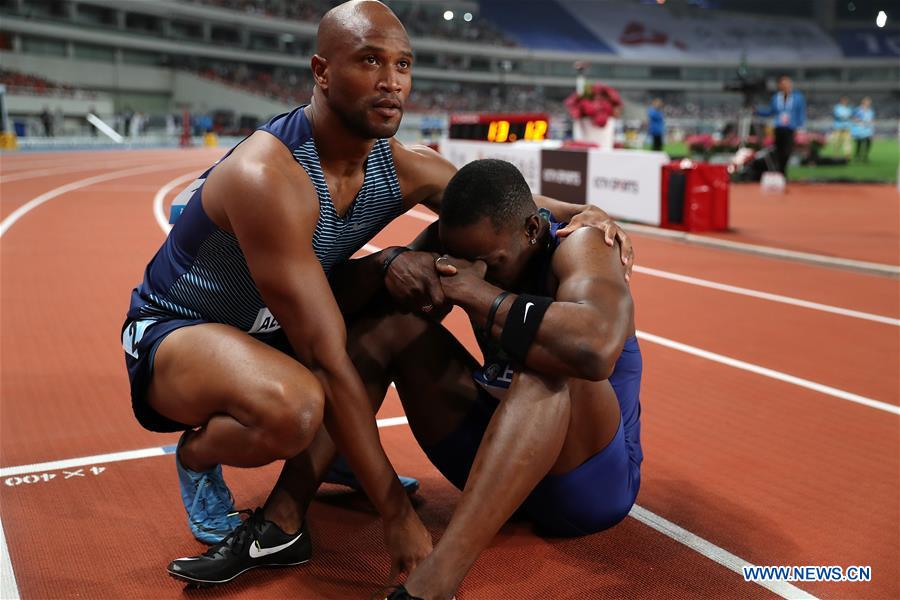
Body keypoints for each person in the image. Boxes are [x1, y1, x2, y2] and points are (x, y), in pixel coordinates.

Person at [121, 0, 633, 584]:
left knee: (396, 284)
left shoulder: (404, 166)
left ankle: (335, 452)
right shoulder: (269, 175)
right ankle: (198, 455)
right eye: (370, 61)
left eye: (404, 65)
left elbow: (520, 211)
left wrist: (591, 214)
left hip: (276, 325)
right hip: (181, 328)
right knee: (299, 407)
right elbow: (326, 357)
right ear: (321, 72)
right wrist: (393, 510)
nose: (392, 82)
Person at [756, 75, 806, 177]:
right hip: (778, 128)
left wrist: (800, 127)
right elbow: (770, 111)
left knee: (787, 152)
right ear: (779, 85)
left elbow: (800, 113)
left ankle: (782, 171)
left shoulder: (798, 97)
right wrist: (757, 110)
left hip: (790, 128)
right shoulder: (776, 98)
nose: (786, 86)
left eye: (787, 83)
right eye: (783, 84)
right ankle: (780, 173)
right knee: (778, 151)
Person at [851, 97, 874, 162]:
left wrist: (871, 127)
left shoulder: (870, 111)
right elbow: (854, 118)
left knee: (868, 143)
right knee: (859, 143)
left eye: (869, 102)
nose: (869, 103)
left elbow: (871, 120)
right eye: (867, 102)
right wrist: (861, 121)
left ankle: (865, 156)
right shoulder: (858, 110)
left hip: (867, 130)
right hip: (859, 129)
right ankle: (857, 156)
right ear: (863, 102)